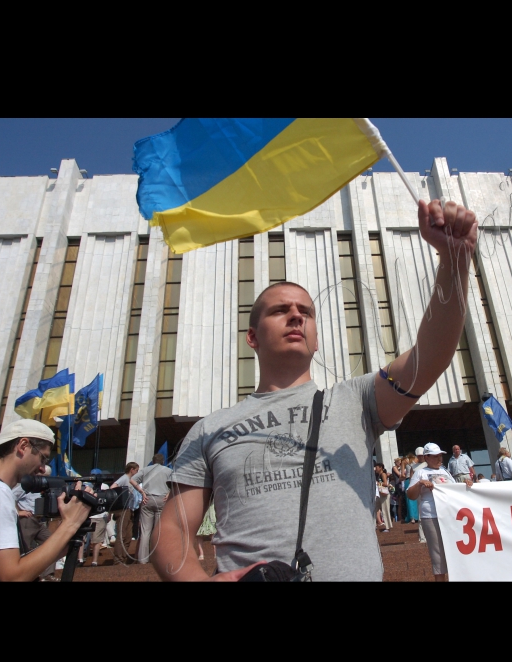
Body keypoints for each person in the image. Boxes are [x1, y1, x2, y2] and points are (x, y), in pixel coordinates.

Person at [154, 198, 478, 582]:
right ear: (252, 338)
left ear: (317, 339)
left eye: (305, 312)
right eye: (280, 310)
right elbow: (170, 530)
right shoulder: (210, 429)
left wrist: (455, 261)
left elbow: (430, 357)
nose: (295, 315)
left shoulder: (357, 400)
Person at [0, 419, 91, 582]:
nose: (42, 468)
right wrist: (70, 524)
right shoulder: (0, 492)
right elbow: (12, 576)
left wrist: (64, 543)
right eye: (43, 458)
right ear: (23, 446)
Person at [406, 443, 460, 581]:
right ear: (427, 457)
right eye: (435, 456)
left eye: (440, 456)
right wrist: (419, 484)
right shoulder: (420, 473)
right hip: (431, 515)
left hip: (448, 515)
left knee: (455, 552)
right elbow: (411, 495)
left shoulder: (445, 471)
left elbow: (456, 489)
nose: (439, 459)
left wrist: (467, 485)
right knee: (438, 555)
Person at [131, 453, 172, 564]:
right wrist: (169, 493)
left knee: (145, 531)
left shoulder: (145, 470)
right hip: (162, 499)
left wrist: (141, 491)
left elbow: (132, 480)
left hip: (147, 499)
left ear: (153, 461)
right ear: (163, 461)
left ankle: (143, 559)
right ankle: (158, 558)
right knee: (159, 530)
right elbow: (175, 483)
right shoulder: (168, 471)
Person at [12, 482, 56, 580]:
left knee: (51, 543)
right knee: (24, 549)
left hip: (40, 520)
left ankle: (48, 575)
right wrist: (18, 512)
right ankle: (25, 576)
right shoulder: (26, 485)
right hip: (28, 520)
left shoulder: (43, 487)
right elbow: (11, 496)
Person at [111, 461, 140, 565]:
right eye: (136, 470)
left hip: (130, 509)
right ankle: (118, 560)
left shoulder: (129, 480)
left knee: (128, 536)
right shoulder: (124, 478)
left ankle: (123, 558)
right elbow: (113, 487)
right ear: (131, 470)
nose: (137, 472)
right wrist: (120, 499)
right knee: (122, 535)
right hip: (124, 510)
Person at [403, 453, 420, 524]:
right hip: (416, 480)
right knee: (417, 498)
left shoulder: (404, 461)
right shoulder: (417, 460)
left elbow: (402, 474)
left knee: (409, 498)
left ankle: (412, 518)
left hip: (407, 480)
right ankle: (418, 516)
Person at [375, 463, 392, 532]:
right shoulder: (379, 475)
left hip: (384, 494)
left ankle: (387, 527)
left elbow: (385, 483)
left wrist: (378, 483)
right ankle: (375, 524)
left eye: (377, 467)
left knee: (385, 510)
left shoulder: (383, 474)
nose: (376, 469)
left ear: (380, 467)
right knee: (375, 508)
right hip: (380, 494)